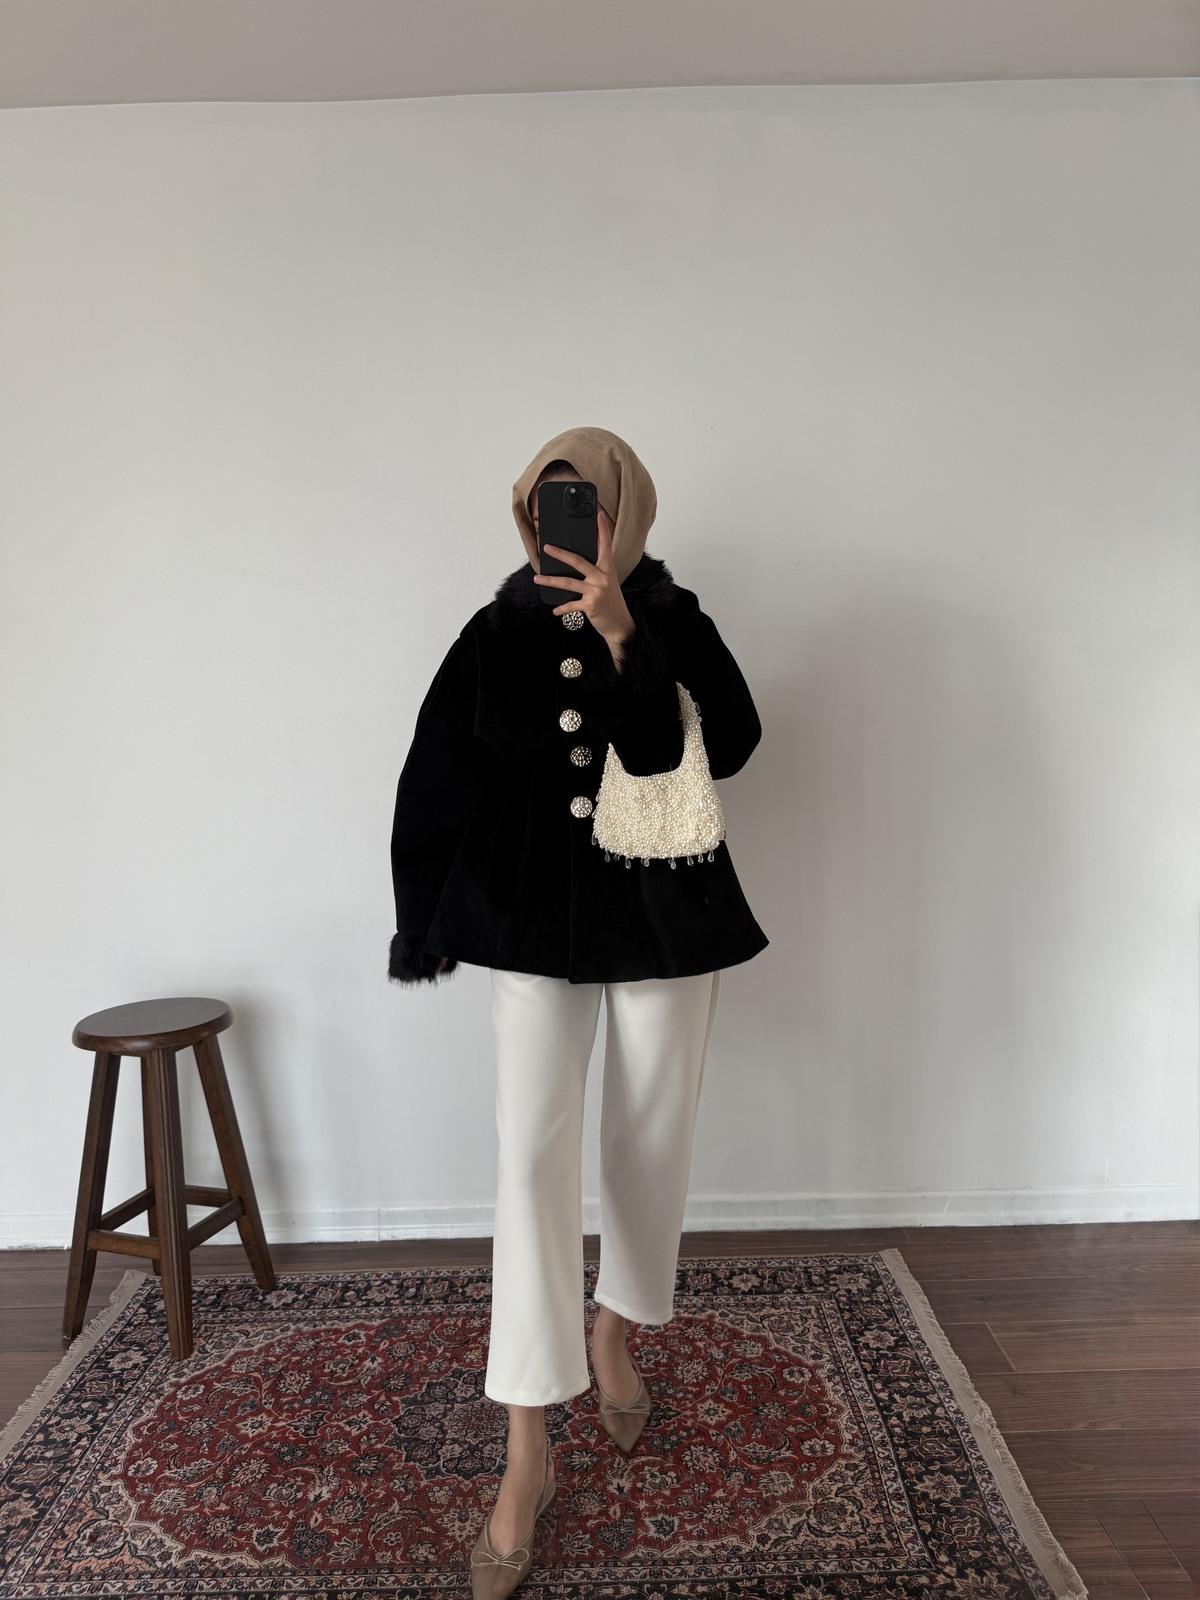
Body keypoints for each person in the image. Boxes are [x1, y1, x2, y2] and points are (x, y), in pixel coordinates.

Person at [387, 425, 769, 1596]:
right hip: (530, 925)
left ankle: (614, 1329)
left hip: (661, 915)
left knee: (650, 1135)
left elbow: (731, 744)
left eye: (587, 506)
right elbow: (435, 776)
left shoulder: (673, 617)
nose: (566, 527)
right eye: (547, 506)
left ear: (626, 513)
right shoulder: (495, 630)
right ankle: (526, 1447)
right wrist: (420, 917)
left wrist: (624, 632)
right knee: (529, 1163)